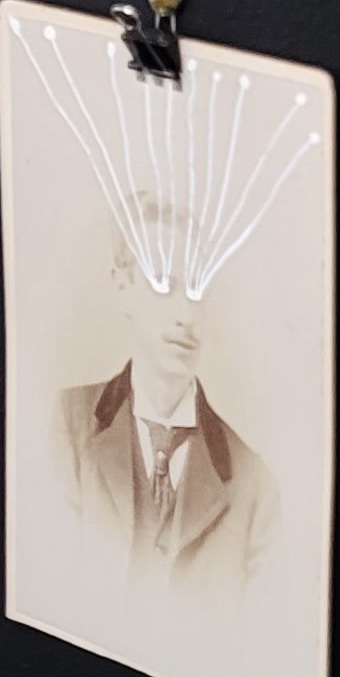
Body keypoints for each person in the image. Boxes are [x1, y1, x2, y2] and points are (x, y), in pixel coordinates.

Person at [58, 193, 279, 596]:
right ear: (123, 287)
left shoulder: (254, 486)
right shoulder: (63, 428)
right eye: (163, 284)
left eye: (197, 290)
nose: (186, 315)